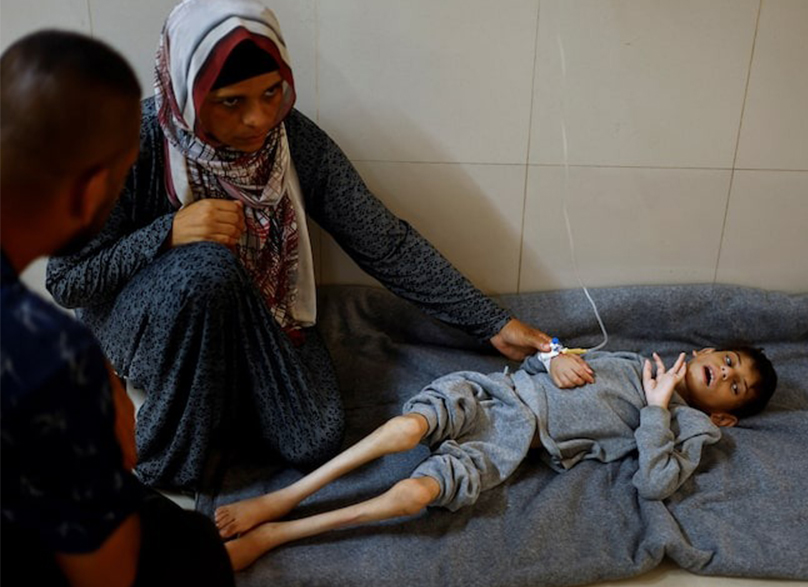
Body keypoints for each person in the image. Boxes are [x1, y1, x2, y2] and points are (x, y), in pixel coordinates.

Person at [45, 0, 551, 493]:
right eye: (231, 102)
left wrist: (491, 323)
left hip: (258, 313)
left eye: (271, 94)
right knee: (206, 269)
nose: (258, 120)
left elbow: (383, 241)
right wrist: (168, 232)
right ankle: (166, 457)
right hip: (143, 324)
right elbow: (66, 281)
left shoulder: (290, 141)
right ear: (187, 92)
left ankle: (219, 390)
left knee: (314, 437)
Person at [1, 30, 234, 587]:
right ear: (90, 190)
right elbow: (106, 582)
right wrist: (104, 455)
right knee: (198, 552)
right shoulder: (49, 359)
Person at [215, 344, 778, 570]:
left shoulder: (690, 429)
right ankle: (284, 496)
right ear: (704, 351)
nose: (727, 372)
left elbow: (656, 484)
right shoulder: (642, 357)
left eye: (735, 386)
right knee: (404, 429)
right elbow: (559, 357)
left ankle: (278, 536)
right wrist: (553, 357)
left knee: (416, 492)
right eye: (728, 360)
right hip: (495, 392)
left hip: (510, 444)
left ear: (724, 417)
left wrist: (658, 411)